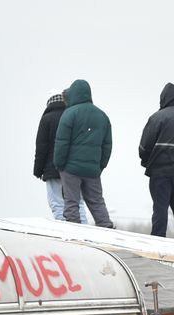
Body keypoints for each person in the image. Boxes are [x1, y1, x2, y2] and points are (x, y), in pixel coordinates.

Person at [53, 78, 114, 228]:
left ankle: (75, 232)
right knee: (97, 202)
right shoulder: (102, 116)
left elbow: (61, 142)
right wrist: (99, 166)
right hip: (92, 170)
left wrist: (59, 164)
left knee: (71, 202)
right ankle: (106, 228)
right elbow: (107, 145)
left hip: (71, 169)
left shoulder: (69, 114)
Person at [138, 83, 174, 241]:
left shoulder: (158, 117)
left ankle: (158, 239)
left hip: (161, 172)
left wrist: (145, 160)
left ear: (162, 99)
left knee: (160, 208)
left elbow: (145, 145)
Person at [33, 88, 86, 223]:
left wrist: (38, 170)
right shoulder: (73, 117)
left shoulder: (46, 119)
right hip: (74, 169)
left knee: (56, 202)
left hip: (52, 168)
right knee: (77, 202)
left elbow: (41, 146)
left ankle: (63, 230)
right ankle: (85, 231)